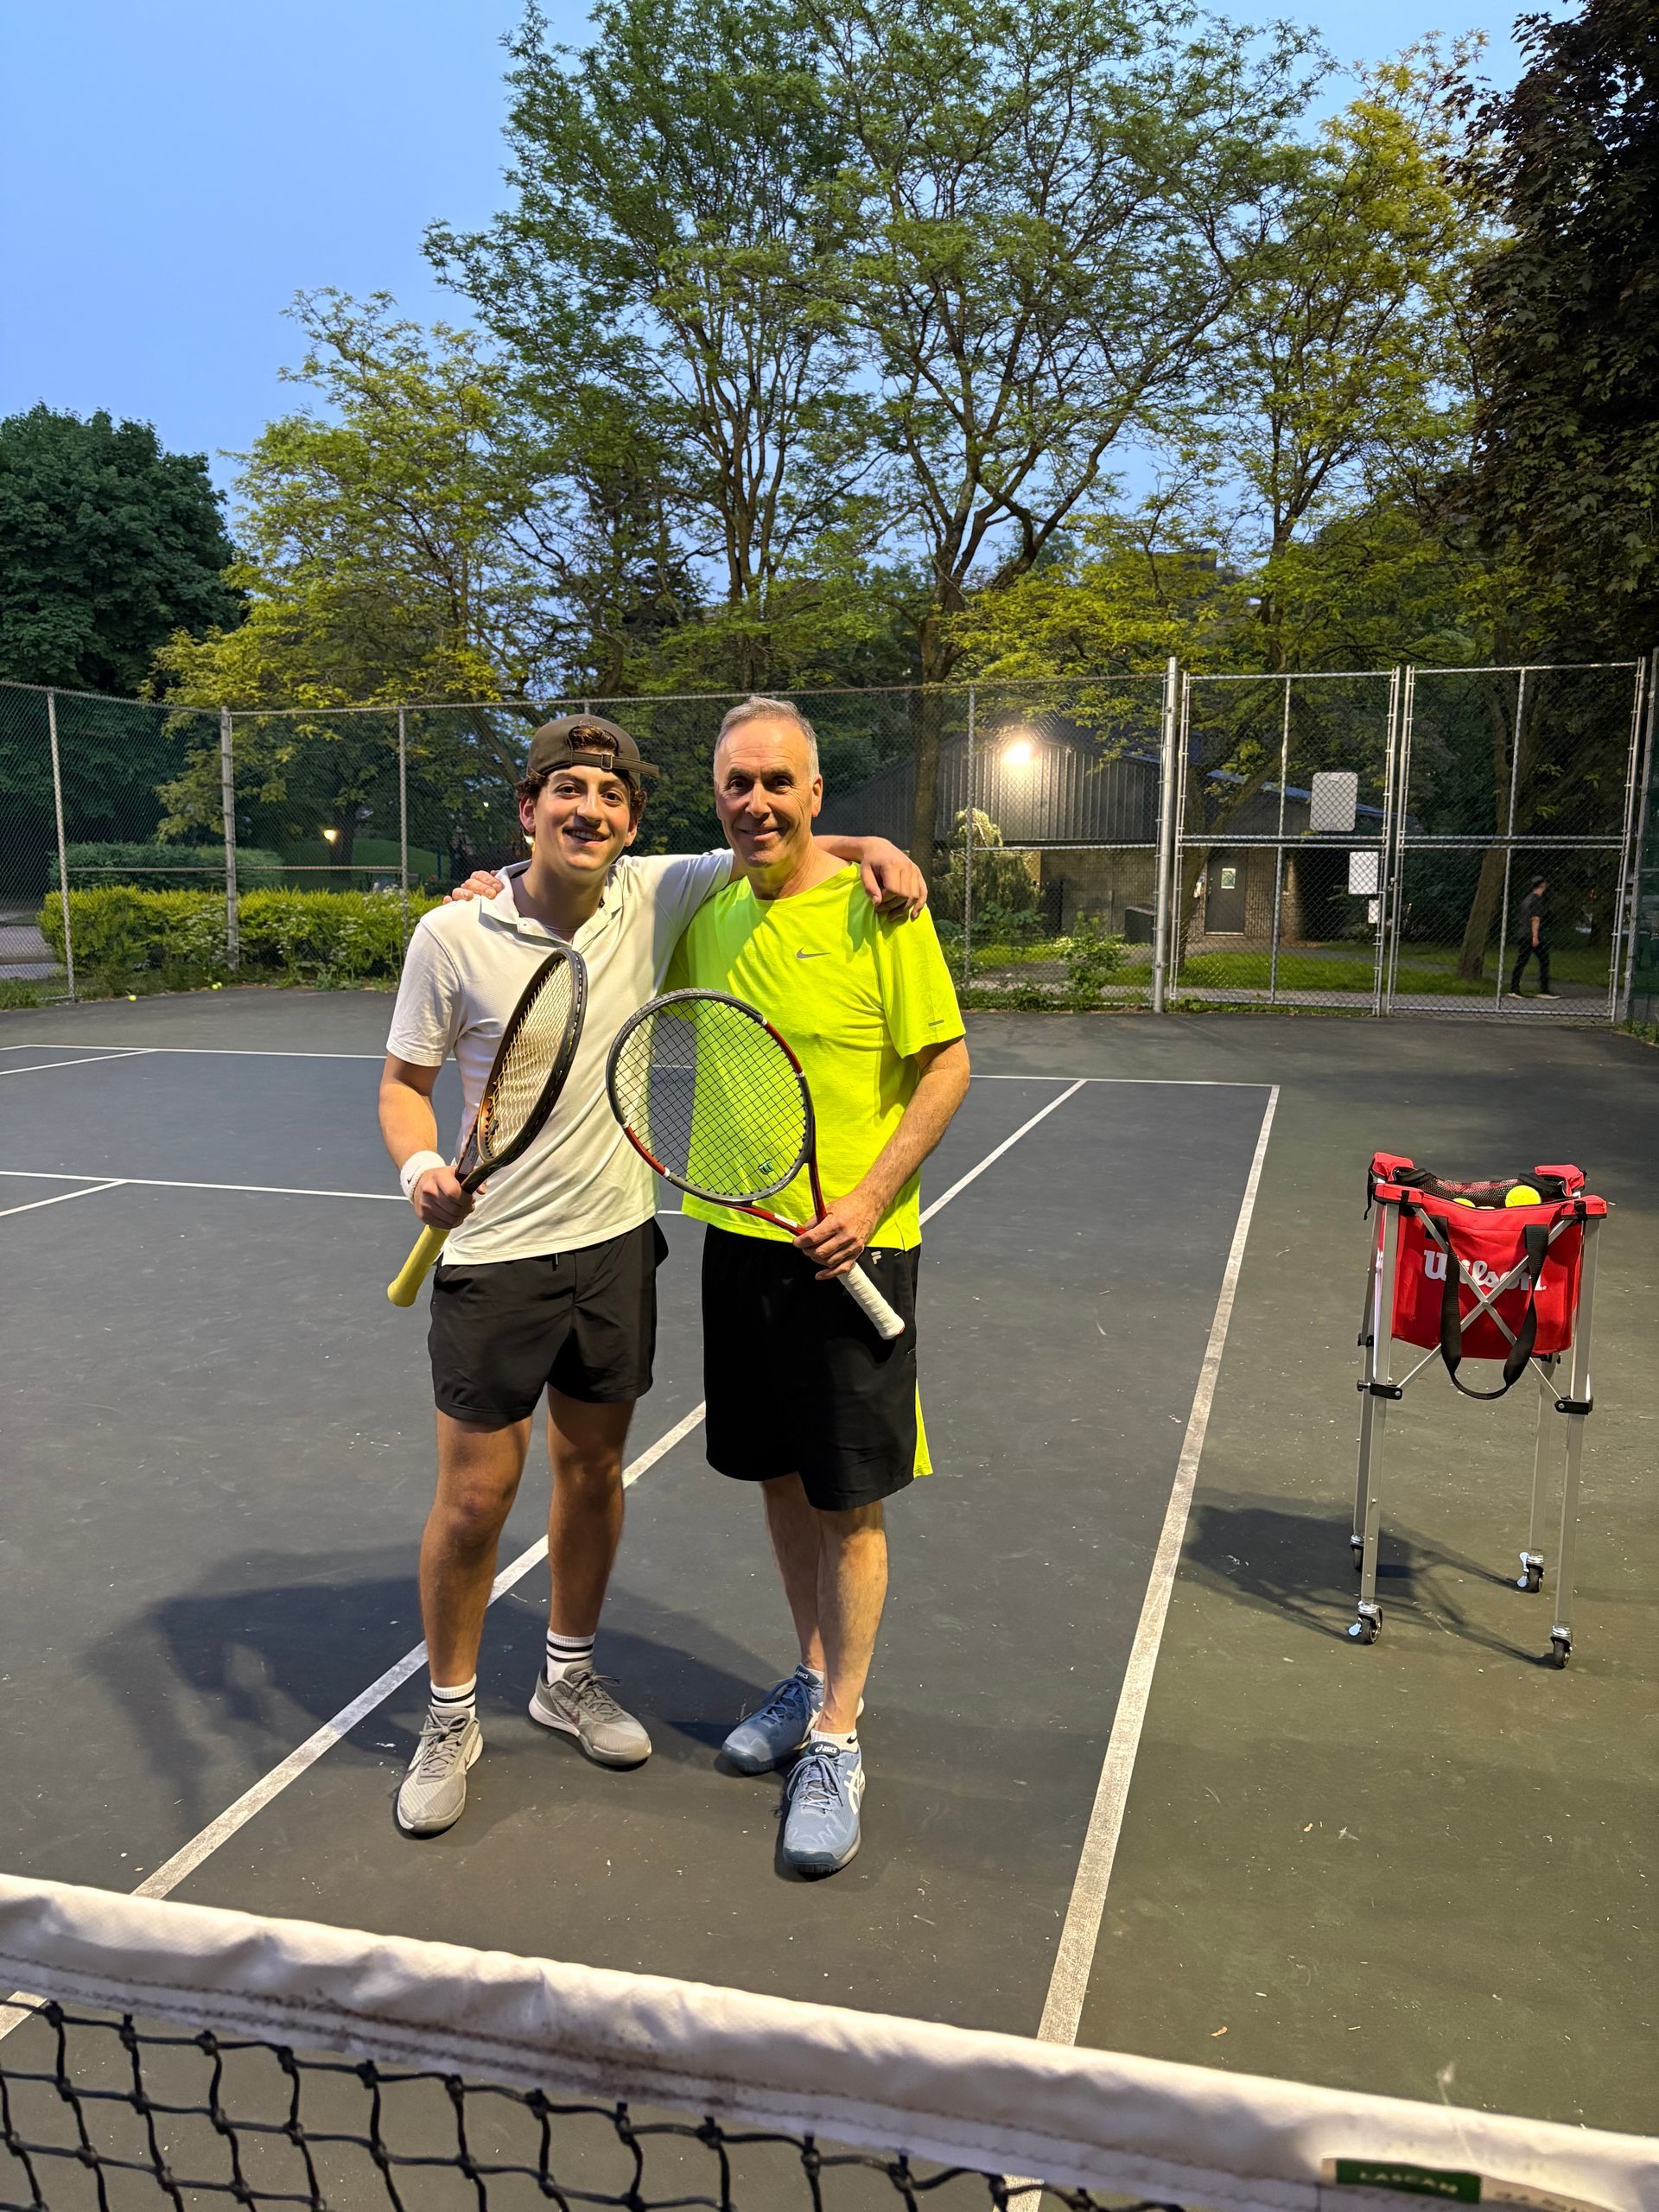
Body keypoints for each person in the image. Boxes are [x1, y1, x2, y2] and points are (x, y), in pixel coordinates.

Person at [378, 713, 925, 1839]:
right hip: (494, 1258)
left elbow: (779, 835)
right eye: (565, 791)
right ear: (528, 807)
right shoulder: (454, 934)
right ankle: (448, 1714)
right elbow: (401, 1083)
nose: (589, 810)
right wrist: (422, 1164)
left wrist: (877, 847)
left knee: (593, 1477)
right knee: (476, 1499)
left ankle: (565, 1677)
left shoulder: (656, 891)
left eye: (610, 796)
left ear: (632, 821)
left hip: (618, 1249)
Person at [666, 696, 970, 1877]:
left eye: (778, 782)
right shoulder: (700, 911)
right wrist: (485, 887)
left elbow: (946, 1067)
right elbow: (576, 872)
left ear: (816, 792)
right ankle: (806, 1679)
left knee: (850, 1502)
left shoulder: (877, 908)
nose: (756, 801)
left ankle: (840, 1735)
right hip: (736, 1244)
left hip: (855, 1250)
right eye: (737, 782)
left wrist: (868, 1199)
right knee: (782, 1481)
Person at [1508, 876, 1555, 999]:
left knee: (1522, 961)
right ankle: (1544, 990)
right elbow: (1535, 918)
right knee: (1544, 959)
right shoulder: (1537, 900)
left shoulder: (1527, 899)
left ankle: (1514, 988)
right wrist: (1535, 936)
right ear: (1542, 886)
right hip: (1530, 935)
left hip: (1522, 933)